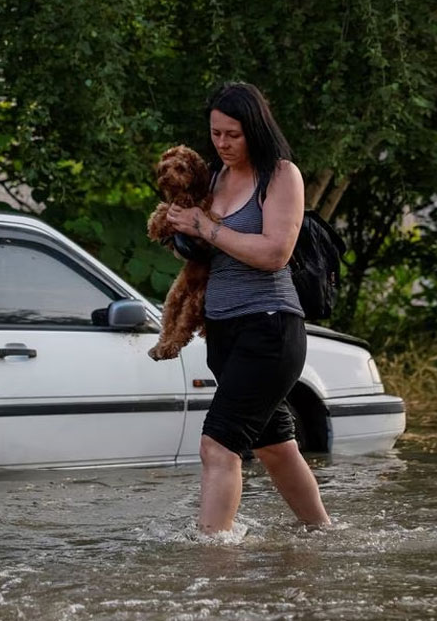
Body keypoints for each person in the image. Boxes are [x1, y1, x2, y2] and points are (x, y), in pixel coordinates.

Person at [165, 82, 331, 535]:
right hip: (223, 331)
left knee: (217, 446)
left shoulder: (281, 175)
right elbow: (211, 253)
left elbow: (275, 252)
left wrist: (206, 227)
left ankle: (212, 557)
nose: (222, 144)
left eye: (232, 135)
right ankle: (324, 535)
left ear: (255, 129)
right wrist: (184, 232)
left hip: (270, 329)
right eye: (215, 134)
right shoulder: (215, 178)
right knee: (276, 445)